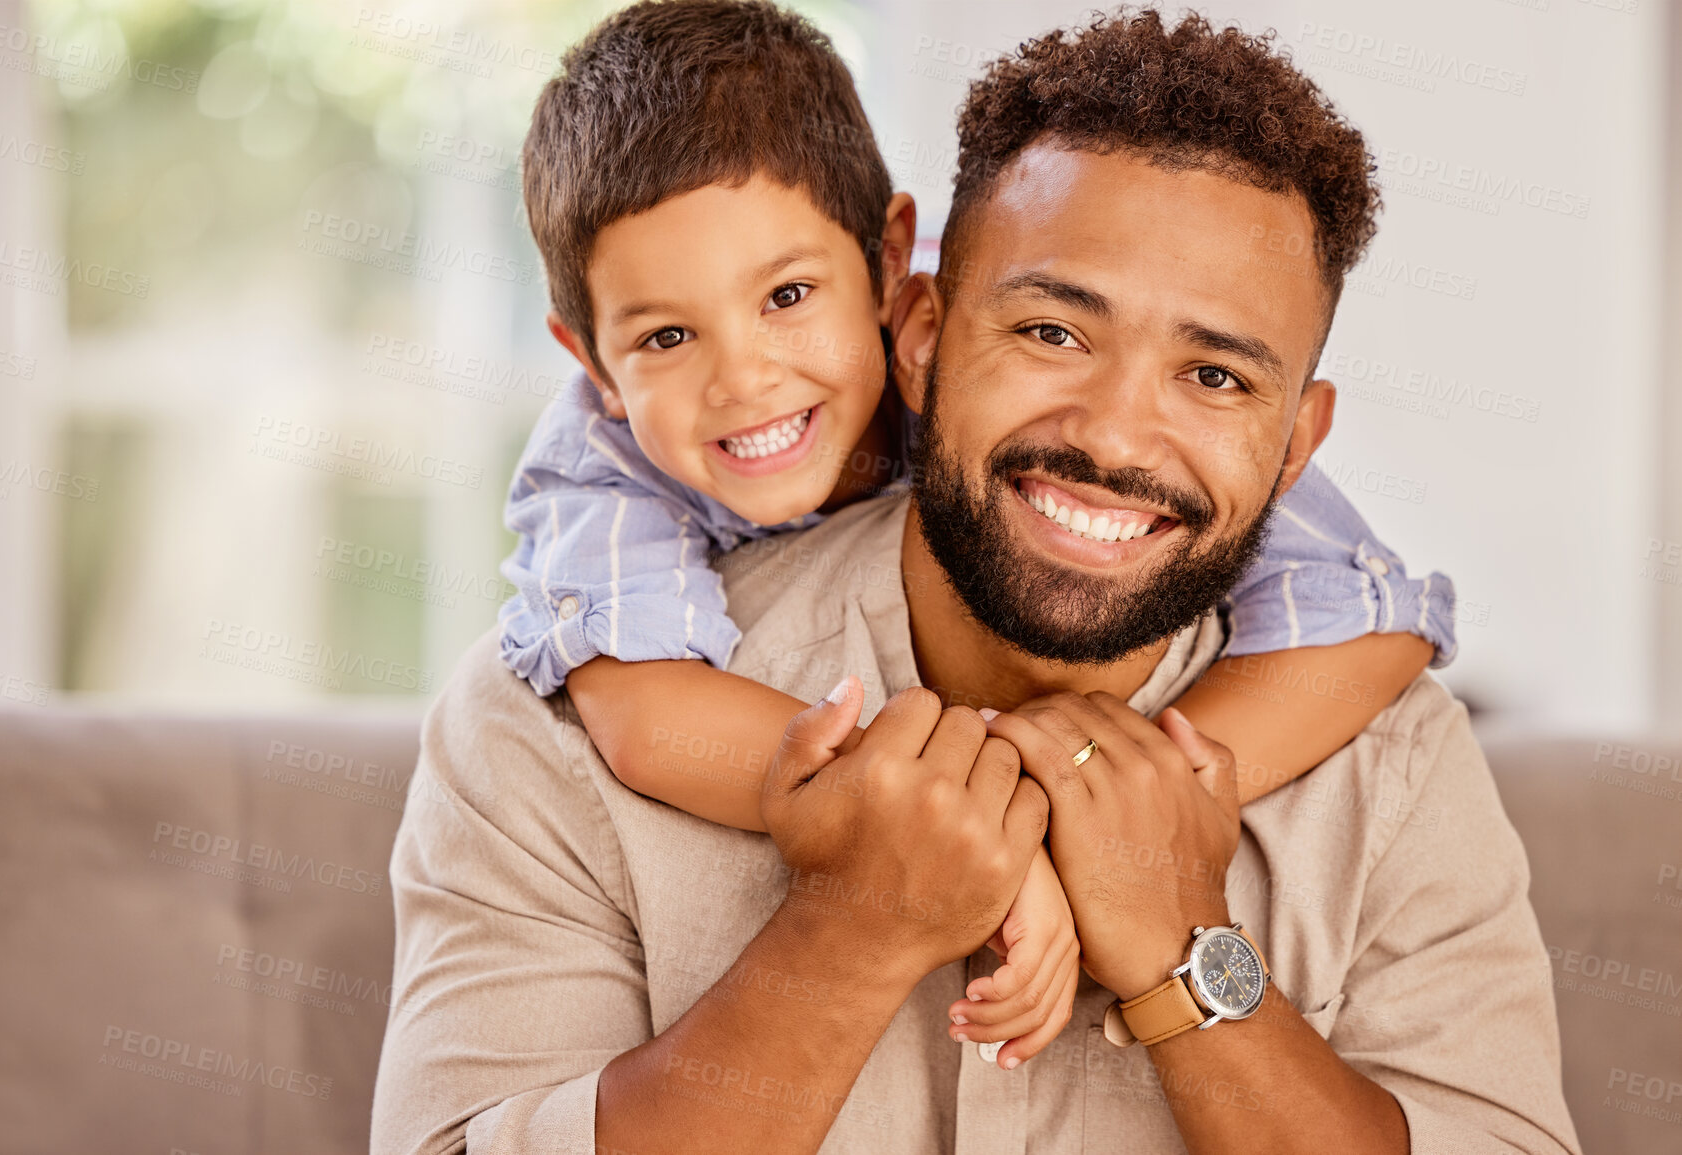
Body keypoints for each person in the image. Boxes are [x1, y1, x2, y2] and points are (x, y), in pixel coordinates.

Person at [371, 9, 1579, 1155]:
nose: (1113, 436)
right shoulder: (551, 722)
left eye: (1214, 377)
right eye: (1053, 333)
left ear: (1295, 441)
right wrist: (849, 931)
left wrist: (1185, 948)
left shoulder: (1396, 766)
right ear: (921, 329)